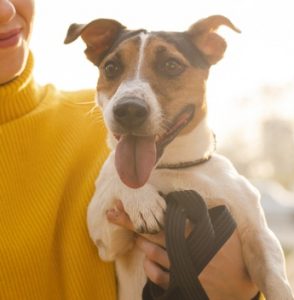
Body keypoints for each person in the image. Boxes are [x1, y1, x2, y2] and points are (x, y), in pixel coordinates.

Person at [0, 0, 259, 299]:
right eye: (112, 67)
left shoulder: (125, 116)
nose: (6, 10)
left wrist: (242, 292)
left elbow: (241, 250)